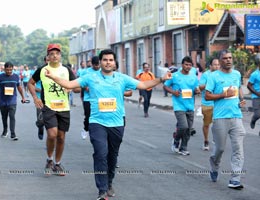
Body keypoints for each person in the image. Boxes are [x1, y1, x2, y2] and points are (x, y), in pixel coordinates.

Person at [44, 49, 171, 200]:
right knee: (100, 154)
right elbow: (70, 84)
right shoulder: (90, 77)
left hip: (117, 123)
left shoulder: (122, 79)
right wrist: (53, 76)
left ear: (115, 63)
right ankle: (102, 189)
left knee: (112, 156)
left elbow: (143, 85)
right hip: (97, 122)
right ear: (101, 62)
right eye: (105, 60)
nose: (108, 62)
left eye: (111, 60)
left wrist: (162, 79)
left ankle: (109, 182)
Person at [28, 44, 79, 176]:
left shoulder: (67, 70)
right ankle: (49, 159)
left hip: (64, 107)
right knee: (52, 134)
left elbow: (77, 86)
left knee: (61, 137)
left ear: (60, 55)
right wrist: (35, 98)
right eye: (52, 53)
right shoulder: (42, 70)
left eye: (57, 53)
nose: (54, 55)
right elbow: (30, 83)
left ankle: (57, 163)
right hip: (49, 107)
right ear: (48, 57)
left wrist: (71, 87)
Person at [205, 49, 246, 190]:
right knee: (220, 149)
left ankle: (235, 179)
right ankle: (214, 166)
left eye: (230, 58)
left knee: (238, 149)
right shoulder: (213, 76)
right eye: (225, 58)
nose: (228, 60)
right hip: (220, 117)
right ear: (220, 60)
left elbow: (239, 87)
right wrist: (223, 94)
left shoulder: (236, 74)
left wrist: (241, 100)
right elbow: (207, 96)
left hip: (236, 116)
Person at [164, 56, 200, 156]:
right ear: (182, 65)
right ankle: (176, 139)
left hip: (190, 106)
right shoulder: (175, 76)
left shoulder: (193, 76)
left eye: (190, 65)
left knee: (188, 129)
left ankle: (183, 148)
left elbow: (196, 88)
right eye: (186, 64)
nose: (188, 66)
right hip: (179, 105)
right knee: (183, 126)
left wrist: (197, 91)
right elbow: (165, 86)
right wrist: (173, 92)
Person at [0, 61, 26, 141]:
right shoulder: (0, 77)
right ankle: (5, 131)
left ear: (12, 68)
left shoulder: (16, 77)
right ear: (4, 69)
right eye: (7, 70)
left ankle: (13, 134)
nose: (9, 71)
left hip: (12, 101)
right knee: (4, 117)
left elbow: (19, 88)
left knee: (12, 116)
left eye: (10, 70)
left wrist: (23, 97)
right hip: (3, 101)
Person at [199, 58, 220, 151]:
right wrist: (209, 82)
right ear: (210, 66)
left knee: (218, 123)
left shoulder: (220, 74)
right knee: (207, 124)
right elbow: (200, 87)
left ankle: (216, 139)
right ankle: (206, 140)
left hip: (218, 103)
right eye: (215, 64)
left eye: (218, 64)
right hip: (207, 103)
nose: (217, 66)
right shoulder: (205, 75)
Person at [80, 56, 101, 139]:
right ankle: (85, 129)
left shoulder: (102, 72)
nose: (97, 67)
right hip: (88, 98)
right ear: (92, 64)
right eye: (95, 65)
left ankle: (97, 132)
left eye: (98, 65)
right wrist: (85, 87)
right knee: (88, 116)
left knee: (99, 116)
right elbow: (80, 83)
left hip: (99, 99)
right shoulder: (86, 72)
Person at [33, 56, 49, 140]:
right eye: (47, 60)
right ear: (44, 61)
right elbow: (31, 84)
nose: (49, 61)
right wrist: (38, 90)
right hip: (40, 99)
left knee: (50, 122)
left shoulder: (56, 72)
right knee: (40, 120)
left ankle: (49, 140)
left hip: (51, 101)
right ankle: (40, 127)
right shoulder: (40, 71)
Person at [247, 53, 260, 130]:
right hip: (256, 97)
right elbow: (249, 85)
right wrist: (257, 93)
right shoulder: (254, 74)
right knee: (258, 115)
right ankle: (253, 120)